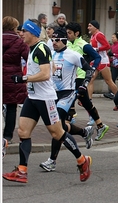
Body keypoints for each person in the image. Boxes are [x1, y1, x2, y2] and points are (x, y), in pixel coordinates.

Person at [2, 19, 91, 184]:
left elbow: (45, 74)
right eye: (20, 31)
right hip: (33, 97)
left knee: (58, 133)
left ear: (33, 33)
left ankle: (82, 160)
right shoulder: (33, 48)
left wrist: (23, 78)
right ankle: (22, 171)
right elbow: (50, 68)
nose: (21, 34)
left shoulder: (41, 48)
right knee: (23, 132)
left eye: (24, 32)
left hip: (45, 98)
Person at [39, 28, 96, 172]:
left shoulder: (73, 55)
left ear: (64, 40)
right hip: (52, 94)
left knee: (57, 124)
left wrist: (84, 85)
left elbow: (89, 70)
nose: (54, 43)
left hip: (68, 94)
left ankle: (52, 161)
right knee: (60, 127)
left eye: (57, 40)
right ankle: (84, 132)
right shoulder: (50, 54)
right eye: (52, 40)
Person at [65, 22, 108, 141]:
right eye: (66, 33)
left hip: (81, 76)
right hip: (71, 77)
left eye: (69, 33)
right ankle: (101, 126)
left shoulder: (83, 45)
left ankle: (66, 124)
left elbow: (97, 57)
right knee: (84, 102)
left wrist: (93, 69)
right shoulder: (67, 44)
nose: (67, 35)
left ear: (77, 33)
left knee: (71, 98)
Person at [2, 16, 30, 146]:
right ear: (14, 27)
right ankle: (8, 136)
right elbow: (29, 58)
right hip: (13, 78)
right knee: (12, 107)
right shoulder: (19, 42)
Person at [87, 20, 118, 117]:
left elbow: (107, 46)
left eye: (90, 26)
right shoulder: (92, 36)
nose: (88, 27)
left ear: (95, 27)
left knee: (108, 81)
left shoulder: (99, 35)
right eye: (88, 25)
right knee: (90, 79)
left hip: (103, 61)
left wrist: (97, 49)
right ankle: (89, 101)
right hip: (95, 61)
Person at [104, 32, 118, 100]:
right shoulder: (112, 46)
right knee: (112, 79)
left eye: (114, 37)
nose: (112, 39)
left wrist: (114, 54)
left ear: (117, 38)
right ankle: (112, 93)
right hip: (113, 65)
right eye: (112, 37)